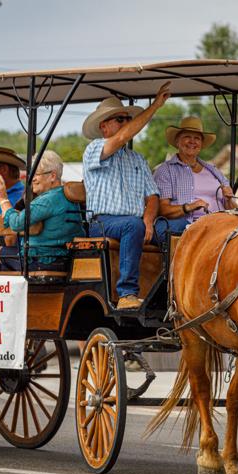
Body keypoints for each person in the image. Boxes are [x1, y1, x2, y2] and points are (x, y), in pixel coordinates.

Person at [82, 83, 170, 310]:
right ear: (104, 127)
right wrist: (156, 106)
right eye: (120, 120)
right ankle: (127, 294)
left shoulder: (137, 158)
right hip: (102, 223)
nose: (126, 124)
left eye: (126, 119)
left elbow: (152, 196)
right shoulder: (94, 149)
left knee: (175, 231)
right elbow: (121, 138)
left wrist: (149, 221)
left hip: (136, 223)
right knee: (133, 226)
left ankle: (175, 294)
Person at [0, 150, 84, 271]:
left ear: (52, 176)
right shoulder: (65, 195)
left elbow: (16, 223)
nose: (33, 179)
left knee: (3, 252)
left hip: (43, 261)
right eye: (31, 174)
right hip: (65, 259)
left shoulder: (48, 200)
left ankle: (19, 289)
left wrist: (3, 200)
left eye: (36, 174)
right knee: (10, 252)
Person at [153, 116, 237, 243]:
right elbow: (162, 209)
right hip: (189, 225)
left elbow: (233, 209)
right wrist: (190, 206)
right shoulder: (166, 170)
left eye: (197, 138)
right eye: (187, 137)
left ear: (201, 144)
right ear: (177, 141)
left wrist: (229, 199)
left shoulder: (214, 170)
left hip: (220, 224)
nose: (192, 141)